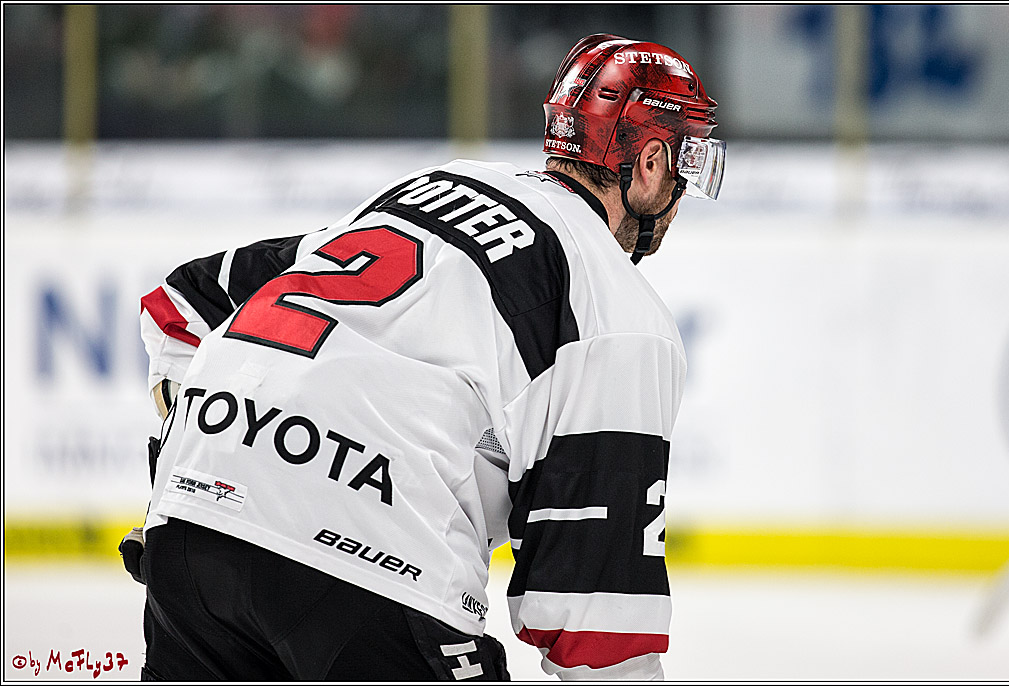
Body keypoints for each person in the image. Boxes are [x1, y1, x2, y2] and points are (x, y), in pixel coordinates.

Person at [124, 33, 724, 681]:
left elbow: (182, 303)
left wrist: (191, 467)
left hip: (190, 529)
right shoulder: (616, 309)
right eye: (688, 159)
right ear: (654, 162)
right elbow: (595, 617)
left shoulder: (431, 188)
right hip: (365, 566)